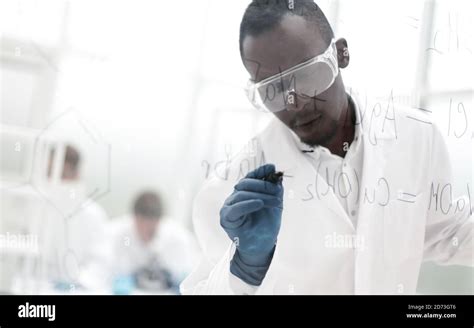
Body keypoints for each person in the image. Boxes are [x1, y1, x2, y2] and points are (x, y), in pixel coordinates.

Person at [181, 0, 473, 294]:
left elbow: (445, 230)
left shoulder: (416, 137)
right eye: (274, 89)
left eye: (306, 74)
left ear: (340, 54)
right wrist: (245, 270)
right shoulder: (230, 188)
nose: (296, 104)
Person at [42, 144, 109, 292]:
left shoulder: (93, 214)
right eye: (50, 172)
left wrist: (77, 283)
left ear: (76, 174)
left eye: (62, 174)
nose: (55, 180)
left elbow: (100, 263)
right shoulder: (36, 208)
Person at [110, 191, 198, 294]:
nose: (145, 234)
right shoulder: (120, 234)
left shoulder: (178, 238)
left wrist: (181, 282)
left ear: (159, 220)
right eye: (141, 227)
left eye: (151, 230)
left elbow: (186, 273)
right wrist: (121, 282)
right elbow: (114, 271)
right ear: (134, 218)